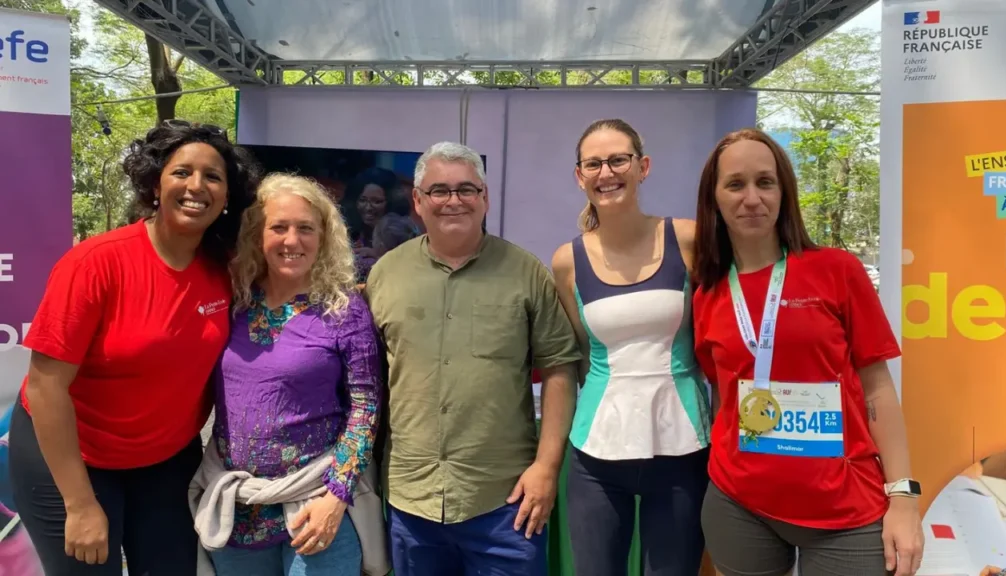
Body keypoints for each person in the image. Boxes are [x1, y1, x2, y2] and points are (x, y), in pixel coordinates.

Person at [8, 120, 261, 576]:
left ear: (227, 197)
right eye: (181, 172)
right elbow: (46, 388)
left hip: (164, 461)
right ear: (154, 183)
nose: (196, 186)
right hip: (73, 458)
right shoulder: (96, 263)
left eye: (213, 176)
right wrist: (81, 505)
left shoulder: (226, 269)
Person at [691, 128, 924, 576]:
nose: (752, 197)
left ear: (784, 192)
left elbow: (877, 391)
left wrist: (903, 498)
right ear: (714, 199)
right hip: (740, 503)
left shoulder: (837, 271)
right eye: (735, 184)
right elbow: (724, 398)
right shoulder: (710, 293)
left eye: (765, 182)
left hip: (844, 509)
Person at [363, 141, 581, 576]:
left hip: (507, 501)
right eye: (439, 190)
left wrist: (546, 467)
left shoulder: (526, 272)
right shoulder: (385, 274)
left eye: (466, 189)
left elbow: (560, 367)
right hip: (412, 501)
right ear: (419, 202)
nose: (454, 201)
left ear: (485, 198)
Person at [189, 173, 386, 576]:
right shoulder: (233, 301)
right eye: (278, 227)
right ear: (257, 235)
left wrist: (336, 496)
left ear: (324, 237)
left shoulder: (343, 310)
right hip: (239, 513)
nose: (291, 241)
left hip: (314, 508)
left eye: (305, 229)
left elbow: (365, 410)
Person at [552, 118, 710, 576]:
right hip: (596, 453)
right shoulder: (567, 261)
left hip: (683, 447)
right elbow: (580, 351)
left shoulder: (688, 238)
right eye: (594, 163)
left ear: (643, 166)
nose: (607, 172)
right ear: (579, 176)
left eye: (618, 159)